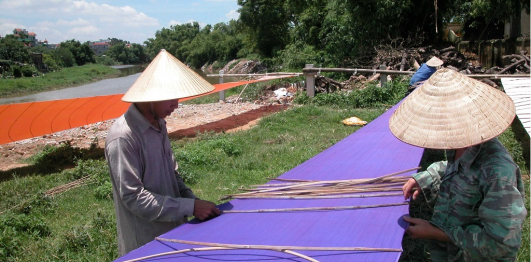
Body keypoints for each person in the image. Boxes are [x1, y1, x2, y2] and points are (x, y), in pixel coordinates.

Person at [389, 68, 527, 261]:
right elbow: (454, 168)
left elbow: (501, 244)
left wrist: (436, 233)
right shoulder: (461, 146)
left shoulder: (497, 173)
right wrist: (424, 179)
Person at [105, 49, 221, 256]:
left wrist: (191, 201)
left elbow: (172, 175)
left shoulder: (159, 124)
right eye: (171, 98)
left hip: (175, 230)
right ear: (151, 96)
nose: (176, 105)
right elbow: (133, 197)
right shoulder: (123, 137)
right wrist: (190, 207)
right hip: (146, 241)